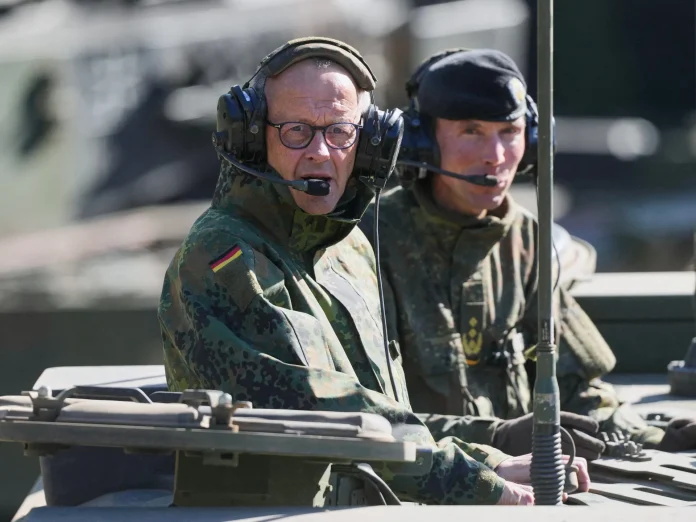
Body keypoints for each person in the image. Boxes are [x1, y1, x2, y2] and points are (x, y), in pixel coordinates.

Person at [157, 37, 589, 506]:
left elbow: (386, 412)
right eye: (297, 131)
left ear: (368, 145)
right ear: (253, 137)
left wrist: (491, 457)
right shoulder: (222, 257)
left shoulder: (349, 249)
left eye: (340, 132)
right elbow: (321, 411)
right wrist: (475, 481)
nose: (321, 152)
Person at [359, 48, 696, 457]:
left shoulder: (526, 240)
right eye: (471, 131)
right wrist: (496, 438)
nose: (496, 156)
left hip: (529, 476)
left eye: (510, 132)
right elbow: (365, 418)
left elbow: (577, 390)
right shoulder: (368, 242)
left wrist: (658, 439)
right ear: (422, 141)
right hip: (419, 480)